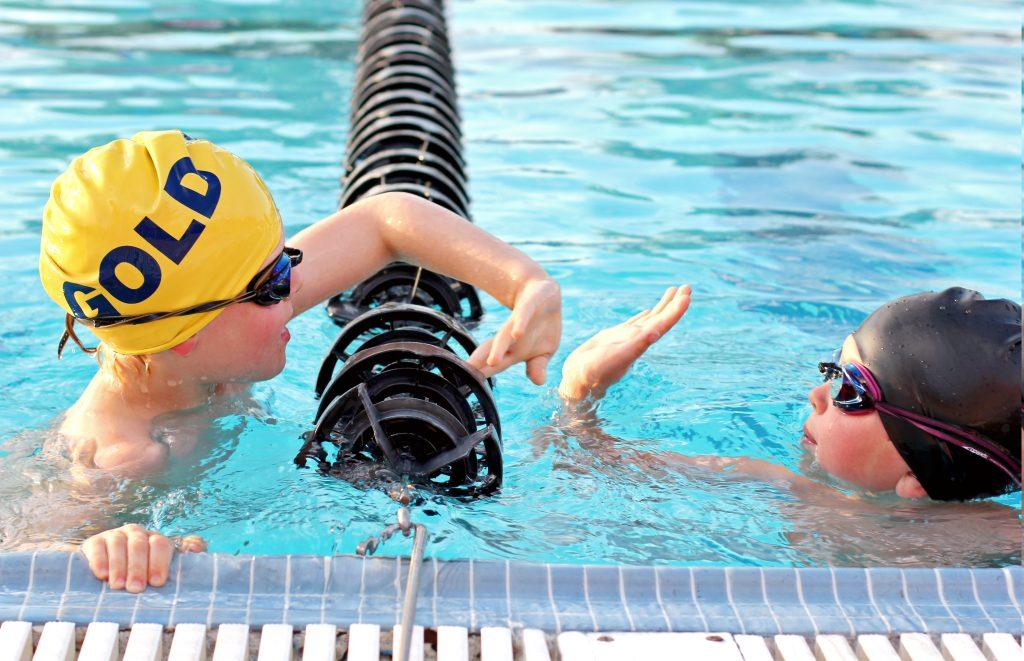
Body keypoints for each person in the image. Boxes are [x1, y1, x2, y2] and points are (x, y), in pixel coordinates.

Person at [39, 130, 562, 593]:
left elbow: (383, 221)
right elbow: (26, 554)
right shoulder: (121, 459)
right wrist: (109, 547)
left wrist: (526, 283)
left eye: (285, 263)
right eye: (271, 286)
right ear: (185, 334)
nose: (293, 290)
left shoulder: (201, 334)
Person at [557, 285, 1021, 503]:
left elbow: (582, 460)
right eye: (832, 369)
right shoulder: (780, 483)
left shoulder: (806, 501)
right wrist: (581, 391)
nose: (816, 394)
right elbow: (609, 466)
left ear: (921, 473)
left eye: (848, 388)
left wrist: (578, 402)